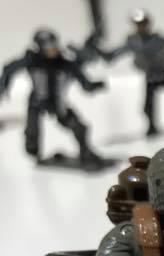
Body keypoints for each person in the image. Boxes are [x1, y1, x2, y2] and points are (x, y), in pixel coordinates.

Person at [0, 29, 107, 167]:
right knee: (32, 131)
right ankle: (33, 149)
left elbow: (84, 82)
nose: (52, 49)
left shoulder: (65, 63)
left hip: (58, 102)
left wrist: (94, 85)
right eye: (47, 46)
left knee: (79, 127)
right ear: (39, 47)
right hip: (37, 101)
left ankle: (86, 153)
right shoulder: (32, 61)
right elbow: (8, 69)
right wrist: (3, 87)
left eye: (53, 44)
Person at [102, 9, 164, 135]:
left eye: (144, 24)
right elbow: (119, 51)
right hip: (150, 76)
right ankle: (152, 126)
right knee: (148, 105)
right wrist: (108, 55)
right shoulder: (134, 42)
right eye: (139, 24)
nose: (142, 27)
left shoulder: (157, 39)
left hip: (163, 74)